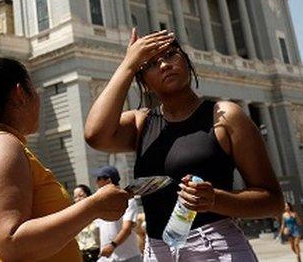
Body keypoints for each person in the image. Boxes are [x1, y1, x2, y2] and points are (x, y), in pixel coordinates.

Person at [85, 30, 283, 260]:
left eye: (170, 55)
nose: (164, 65)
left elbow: (273, 201)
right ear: (144, 83)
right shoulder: (141, 122)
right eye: (150, 64)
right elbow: (95, 135)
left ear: (186, 62)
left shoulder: (225, 116)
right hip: (157, 251)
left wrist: (215, 200)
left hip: (213, 247)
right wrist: (128, 65)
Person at [0, 54, 130, 261]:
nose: (38, 99)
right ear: (19, 94)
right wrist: (93, 207)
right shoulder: (1, 146)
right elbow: (12, 243)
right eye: (34, 90)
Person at [92, 166, 140, 262]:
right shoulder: (99, 202)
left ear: (108, 180)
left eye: (98, 179)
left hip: (128, 257)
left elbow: (127, 229)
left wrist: (112, 246)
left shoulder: (128, 200)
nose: (96, 182)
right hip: (107, 258)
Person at [71, 185, 100, 262]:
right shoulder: (74, 219)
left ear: (88, 196)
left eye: (81, 196)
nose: (78, 199)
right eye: (75, 197)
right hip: (82, 256)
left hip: (99, 255)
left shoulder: (98, 215)